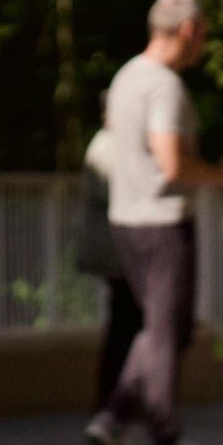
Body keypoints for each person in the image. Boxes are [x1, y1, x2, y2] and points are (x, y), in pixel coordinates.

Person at [82, 0, 223, 445]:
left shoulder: (126, 77)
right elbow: (172, 163)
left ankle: (115, 422)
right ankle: (161, 443)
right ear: (189, 31)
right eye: (205, 35)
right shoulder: (164, 87)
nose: (204, 44)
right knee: (164, 333)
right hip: (161, 221)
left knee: (160, 330)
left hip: (126, 220)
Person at [78, 124, 144, 408]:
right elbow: (118, 192)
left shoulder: (110, 144)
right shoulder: (108, 146)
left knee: (128, 322)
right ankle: (113, 397)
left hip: (119, 249)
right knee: (125, 323)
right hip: (116, 250)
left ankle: (119, 395)